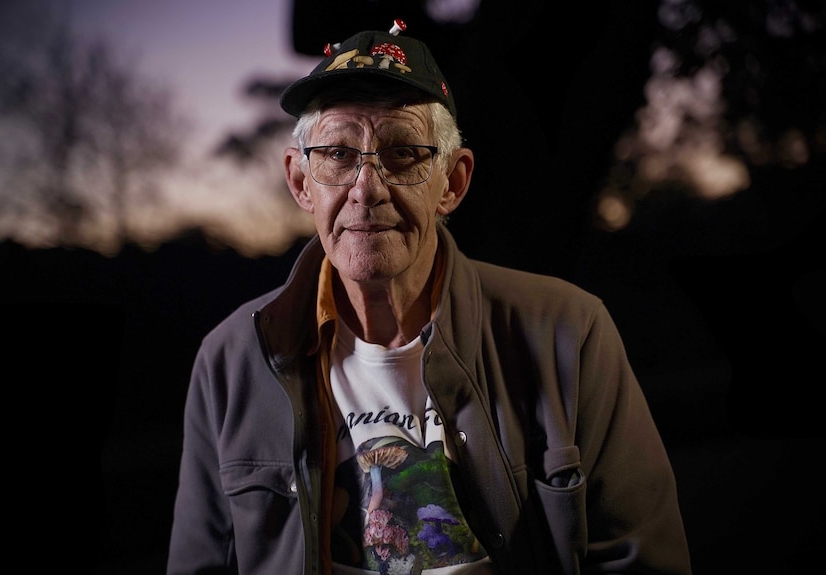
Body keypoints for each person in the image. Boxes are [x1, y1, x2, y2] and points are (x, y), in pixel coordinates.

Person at [167, 25, 691, 575]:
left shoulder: (568, 331)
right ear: (301, 182)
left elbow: (643, 560)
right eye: (338, 154)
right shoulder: (230, 360)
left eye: (402, 153)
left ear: (452, 182)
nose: (366, 188)